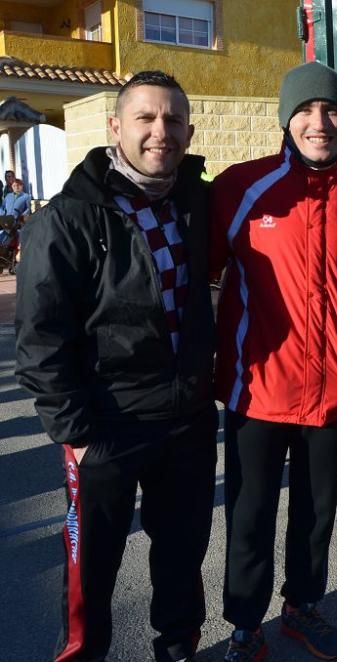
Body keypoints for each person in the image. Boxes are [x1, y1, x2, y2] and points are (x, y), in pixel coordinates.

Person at [15, 70, 217, 662]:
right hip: (105, 424)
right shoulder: (69, 217)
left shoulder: (195, 200)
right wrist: (73, 431)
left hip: (186, 418)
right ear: (114, 128)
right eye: (146, 119)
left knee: (182, 555)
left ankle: (178, 649)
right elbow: (40, 336)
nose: (162, 132)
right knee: (92, 567)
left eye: (174, 120)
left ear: (188, 128)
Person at [210, 61, 337, 662]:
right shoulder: (241, 189)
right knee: (250, 515)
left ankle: (303, 606)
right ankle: (244, 625)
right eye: (306, 110)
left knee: (316, 514)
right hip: (257, 392)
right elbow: (198, 278)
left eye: (332, 109)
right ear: (286, 119)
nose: (320, 122)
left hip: (331, 394)